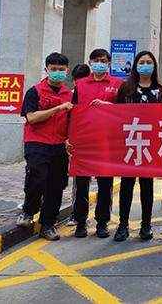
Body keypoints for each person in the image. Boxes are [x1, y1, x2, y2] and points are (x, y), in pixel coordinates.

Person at [16, 53, 73, 241]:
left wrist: (70, 139)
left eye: (61, 69)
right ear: (46, 69)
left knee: (56, 186)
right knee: (36, 180)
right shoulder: (35, 92)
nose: (57, 72)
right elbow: (31, 117)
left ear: (67, 70)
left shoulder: (70, 95)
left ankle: (48, 224)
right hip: (37, 143)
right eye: (53, 69)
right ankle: (28, 210)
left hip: (59, 146)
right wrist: (57, 108)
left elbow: (73, 122)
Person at [114, 51, 162, 242]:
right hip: (129, 144)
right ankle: (123, 225)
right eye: (142, 62)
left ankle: (146, 225)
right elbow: (116, 114)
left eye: (149, 62)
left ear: (154, 66)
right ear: (136, 66)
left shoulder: (160, 91)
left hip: (149, 145)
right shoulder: (126, 88)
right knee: (127, 185)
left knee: (147, 186)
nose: (145, 65)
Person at [71, 49, 123, 239]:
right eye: (95, 61)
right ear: (90, 62)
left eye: (102, 60)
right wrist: (70, 138)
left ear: (109, 63)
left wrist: (108, 106)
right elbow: (73, 112)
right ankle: (80, 221)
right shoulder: (80, 84)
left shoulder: (118, 84)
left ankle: (102, 222)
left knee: (105, 184)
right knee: (81, 184)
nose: (99, 64)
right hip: (84, 140)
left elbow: (125, 111)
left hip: (107, 141)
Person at [66, 64, 91, 228]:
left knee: (102, 182)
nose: (78, 82)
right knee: (80, 182)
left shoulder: (94, 95)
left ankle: (101, 219)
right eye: (77, 79)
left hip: (95, 142)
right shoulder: (71, 95)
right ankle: (77, 215)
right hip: (78, 143)